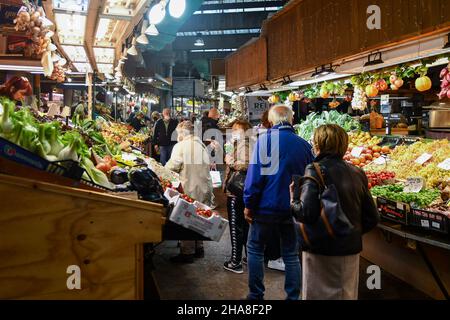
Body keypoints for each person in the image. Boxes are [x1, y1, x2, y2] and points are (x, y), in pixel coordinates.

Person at [290, 124, 379, 300]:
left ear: (318, 144)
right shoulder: (357, 172)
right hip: (350, 251)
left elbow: (305, 213)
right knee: (346, 295)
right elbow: (372, 217)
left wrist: (293, 198)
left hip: (321, 251)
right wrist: (348, 232)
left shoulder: (314, 170)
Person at [244, 105, 314, 300]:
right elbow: (310, 179)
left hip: (265, 208)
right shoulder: (304, 145)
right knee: (291, 255)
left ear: (272, 121)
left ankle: (256, 296)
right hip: (292, 208)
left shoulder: (264, 141)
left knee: (255, 249)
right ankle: (293, 297)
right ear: (291, 120)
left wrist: (249, 204)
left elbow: (254, 179)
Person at [165, 121, 214, 263]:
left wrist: (161, 169)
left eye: (178, 133)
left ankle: (187, 253)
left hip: (189, 187)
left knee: (187, 219)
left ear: (182, 133)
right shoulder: (201, 144)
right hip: (204, 187)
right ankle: (199, 247)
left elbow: (172, 166)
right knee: (200, 218)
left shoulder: (180, 146)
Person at [223, 120, 252, 273]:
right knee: (243, 226)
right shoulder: (241, 144)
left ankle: (235, 262)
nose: (233, 132)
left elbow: (246, 164)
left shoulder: (245, 144)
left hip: (237, 190)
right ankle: (247, 257)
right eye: (232, 129)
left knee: (236, 226)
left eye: (237, 130)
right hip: (242, 190)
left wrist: (231, 161)